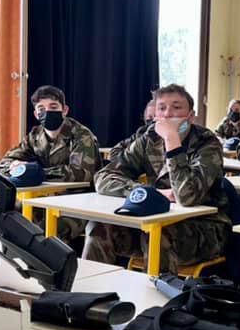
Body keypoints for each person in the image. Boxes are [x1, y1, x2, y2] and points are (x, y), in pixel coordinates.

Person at [83, 84, 229, 272]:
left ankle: (156, 297)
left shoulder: (208, 144)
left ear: (190, 116)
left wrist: (171, 140)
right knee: (99, 226)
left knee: (158, 232)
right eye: (162, 108)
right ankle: (90, 295)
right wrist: (147, 193)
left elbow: (186, 196)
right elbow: (103, 177)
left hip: (205, 229)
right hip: (157, 218)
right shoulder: (149, 140)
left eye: (176, 108)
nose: (167, 114)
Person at [0, 85, 100, 244]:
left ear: (64, 110)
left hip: (77, 202)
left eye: (53, 107)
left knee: (42, 230)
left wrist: (37, 173)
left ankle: (46, 266)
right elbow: (4, 163)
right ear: (36, 114)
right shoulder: (35, 135)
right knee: (4, 214)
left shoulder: (81, 135)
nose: (47, 112)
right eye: (41, 108)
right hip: (43, 200)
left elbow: (80, 174)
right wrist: (15, 166)